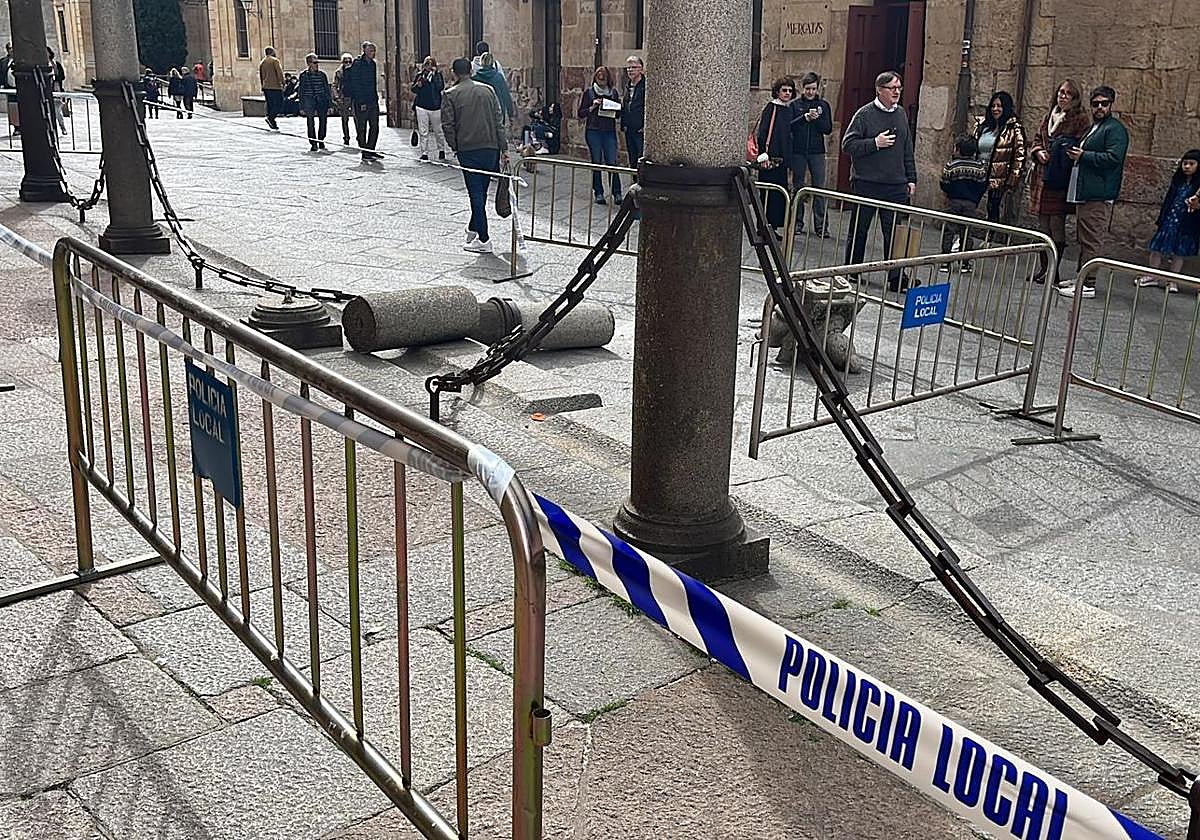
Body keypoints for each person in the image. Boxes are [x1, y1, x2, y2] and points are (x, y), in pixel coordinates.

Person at [841, 70, 918, 291]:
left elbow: (907, 148)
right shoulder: (864, 114)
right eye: (892, 88)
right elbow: (848, 145)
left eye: (899, 88)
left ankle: (896, 278)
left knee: (894, 233)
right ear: (879, 90)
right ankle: (852, 270)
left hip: (895, 184)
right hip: (867, 183)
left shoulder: (901, 114)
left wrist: (911, 178)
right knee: (860, 229)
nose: (896, 92)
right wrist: (875, 143)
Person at [1058, 85, 1129, 299]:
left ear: (1111, 105)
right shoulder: (1095, 127)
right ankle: (1082, 277)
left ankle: (1088, 284)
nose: (1099, 107)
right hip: (1085, 191)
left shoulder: (1115, 129)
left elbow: (1114, 158)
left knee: (1092, 240)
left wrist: (1084, 156)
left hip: (1098, 193)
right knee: (1084, 238)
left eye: (1104, 104)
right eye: (1095, 104)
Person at [1027, 79, 1090, 283]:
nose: (1063, 96)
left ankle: (1054, 271)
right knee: (1043, 226)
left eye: (1068, 93)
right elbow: (1037, 138)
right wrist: (1039, 152)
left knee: (1056, 224)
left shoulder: (1080, 119)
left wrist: (1060, 151)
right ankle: (1044, 269)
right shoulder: (1049, 116)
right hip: (1043, 177)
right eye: (1061, 92)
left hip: (1060, 178)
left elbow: (1081, 144)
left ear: (1075, 98)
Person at [442, 57, 506, 254]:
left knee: (475, 193)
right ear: (471, 70)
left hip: (468, 149)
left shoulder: (450, 94)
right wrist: (503, 148)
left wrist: (455, 146)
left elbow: (447, 125)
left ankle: (484, 239)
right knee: (481, 191)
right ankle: (473, 228)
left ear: (454, 73)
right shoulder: (488, 90)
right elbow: (498, 120)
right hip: (490, 147)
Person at [1133, 150, 1200, 293]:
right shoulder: (1178, 181)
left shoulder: (1197, 187)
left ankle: (1172, 280)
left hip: (1186, 224)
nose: (1187, 167)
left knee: (1179, 253)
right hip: (1170, 221)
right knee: (1156, 249)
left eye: (1191, 164)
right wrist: (1162, 218)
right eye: (1185, 163)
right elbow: (1168, 200)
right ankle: (1153, 275)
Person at [789, 71, 833, 237]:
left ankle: (821, 226)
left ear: (817, 88)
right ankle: (797, 223)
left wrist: (816, 119)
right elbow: (790, 126)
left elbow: (828, 129)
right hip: (798, 151)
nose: (810, 92)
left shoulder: (823, 105)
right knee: (798, 187)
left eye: (813, 89)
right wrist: (804, 118)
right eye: (808, 89)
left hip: (817, 151)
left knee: (819, 188)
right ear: (803, 88)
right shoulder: (795, 105)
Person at [973, 90, 1026, 223]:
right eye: (993, 106)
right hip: (978, 173)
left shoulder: (1014, 129)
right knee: (970, 205)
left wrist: (1012, 181)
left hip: (999, 177)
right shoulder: (982, 126)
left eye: (999, 106)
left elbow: (1019, 156)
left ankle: (991, 235)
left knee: (993, 208)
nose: (995, 109)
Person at [938, 134, 989, 271]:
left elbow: (944, 182)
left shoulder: (951, 166)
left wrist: (950, 193)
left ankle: (945, 261)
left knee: (949, 230)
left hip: (953, 201)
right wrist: (975, 199)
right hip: (971, 203)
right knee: (966, 231)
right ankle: (965, 262)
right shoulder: (979, 167)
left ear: (958, 150)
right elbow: (983, 184)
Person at [754, 77, 795, 236]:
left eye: (790, 90)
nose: (787, 93)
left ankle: (772, 228)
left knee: (778, 196)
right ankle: (763, 227)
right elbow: (763, 132)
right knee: (767, 195)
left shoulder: (788, 109)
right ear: (777, 91)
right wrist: (763, 154)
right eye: (784, 90)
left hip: (781, 160)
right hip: (769, 158)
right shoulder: (772, 108)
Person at [578, 66, 622, 204]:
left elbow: (619, 114)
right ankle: (598, 192)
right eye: (598, 77)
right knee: (596, 161)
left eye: (603, 77)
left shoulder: (613, 93)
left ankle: (617, 192)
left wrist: (614, 107)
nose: (601, 80)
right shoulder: (589, 93)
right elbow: (581, 113)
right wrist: (592, 106)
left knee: (612, 162)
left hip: (609, 131)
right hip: (593, 130)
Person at [346, 41, 381, 160]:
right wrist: (361, 102)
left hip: (372, 100)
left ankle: (371, 149)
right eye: (371, 51)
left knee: (374, 126)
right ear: (365, 51)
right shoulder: (358, 64)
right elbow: (356, 84)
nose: (373, 53)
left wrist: (375, 98)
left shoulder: (373, 64)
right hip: (361, 101)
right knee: (362, 128)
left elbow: (373, 83)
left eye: (374, 51)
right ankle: (365, 152)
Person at [411, 56, 447, 161]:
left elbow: (440, 87)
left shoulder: (438, 76)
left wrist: (434, 75)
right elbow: (413, 89)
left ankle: (441, 150)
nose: (428, 67)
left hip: (435, 107)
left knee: (438, 130)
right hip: (421, 106)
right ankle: (424, 152)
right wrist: (418, 85)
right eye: (427, 64)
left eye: (431, 65)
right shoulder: (420, 76)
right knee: (423, 131)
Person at [297, 53, 332, 151]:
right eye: (315, 62)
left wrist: (330, 105)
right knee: (310, 121)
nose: (317, 64)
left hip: (321, 99)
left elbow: (327, 90)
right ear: (309, 63)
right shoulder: (304, 76)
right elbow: (301, 91)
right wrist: (301, 106)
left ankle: (321, 140)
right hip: (309, 100)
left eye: (317, 62)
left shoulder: (322, 75)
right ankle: (313, 142)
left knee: (323, 121)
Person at [472, 52, 514, 124]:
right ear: (492, 63)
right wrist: (510, 113)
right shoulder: (498, 77)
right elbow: (505, 95)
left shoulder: (475, 78)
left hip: (480, 112)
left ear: (481, 63)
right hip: (497, 109)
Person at [622, 55, 645, 166]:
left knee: (641, 160)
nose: (630, 70)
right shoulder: (627, 85)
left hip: (640, 130)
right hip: (629, 129)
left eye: (634, 67)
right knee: (632, 159)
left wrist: (646, 126)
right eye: (628, 68)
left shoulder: (646, 85)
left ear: (641, 69)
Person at [259, 46, 285, 129]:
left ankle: (272, 121)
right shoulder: (275, 61)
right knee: (279, 103)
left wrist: (262, 85)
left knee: (270, 104)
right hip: (275, 86)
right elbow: (279, 73)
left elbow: (261, 76)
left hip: (266, 86)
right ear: (272, 52)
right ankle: (271, 117)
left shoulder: (262, 62)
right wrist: (283, 82)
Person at [333, 53, 354, 146]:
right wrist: (337, 97)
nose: (348, 63)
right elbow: (334, 85)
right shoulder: (339, 72)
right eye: (346, 62)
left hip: (354, 97)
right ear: (342, 62)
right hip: (344, 97)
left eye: (350, 61)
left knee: (357, 118)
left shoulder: (355, 71)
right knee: (344, 119)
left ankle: (360, 138)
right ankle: (346, 137)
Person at [47, 47, 67, 135]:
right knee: (49, 112)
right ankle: (52, 129)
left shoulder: (56, 64)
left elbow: (62, 76)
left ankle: (62, 127)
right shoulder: (43, 64)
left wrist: (55, 78)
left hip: (57, 89)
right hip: (47, 90)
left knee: (57, 111)